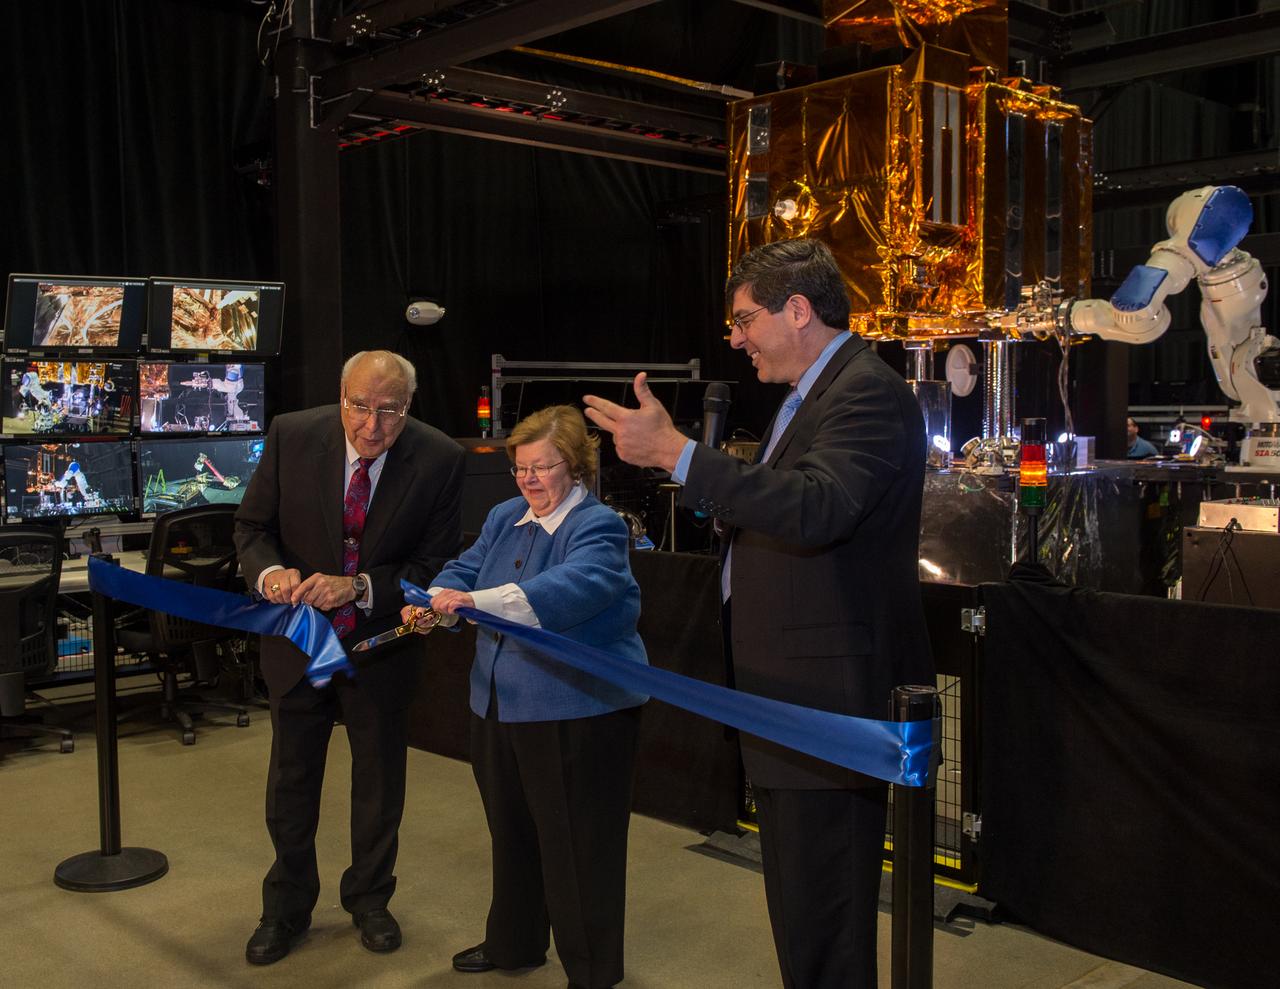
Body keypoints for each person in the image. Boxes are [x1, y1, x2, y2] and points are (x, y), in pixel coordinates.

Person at [583, 238, 934, 989]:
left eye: (745, 319)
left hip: (827, 704)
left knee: (827, 920)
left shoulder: (865, 391)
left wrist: (679, 455)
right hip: (788, 698)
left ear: (798, 310)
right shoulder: (812, 394)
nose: (734, 337)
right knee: (802, 913)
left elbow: (817, 507)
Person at [403, 404, 647, 989]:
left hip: (578, 711)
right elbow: (465, 569)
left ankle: (591, 969)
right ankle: (514, 943)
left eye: (543, 467)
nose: (529, 480)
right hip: (498, 705)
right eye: (520, 468)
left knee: (577, 845)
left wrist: (474, 604)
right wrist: (436, 597)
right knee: (511, 830)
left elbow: (571, 588)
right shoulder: (505, 514)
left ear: (577, 466)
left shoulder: (599, 526)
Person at [233, 350, 464, 966]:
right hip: (298, 640)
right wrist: (271, 573)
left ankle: (369, 898)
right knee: (291, 779)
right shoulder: (292, 434)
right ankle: (285, 908)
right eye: (360, 407)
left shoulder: (440, 458)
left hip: (379, 646)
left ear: (408, 408)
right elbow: (251, 528)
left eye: (388, 412)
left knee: (380, 781)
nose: (371, 426)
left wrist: (358, 586)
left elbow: (434, 566)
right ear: (340, 396)